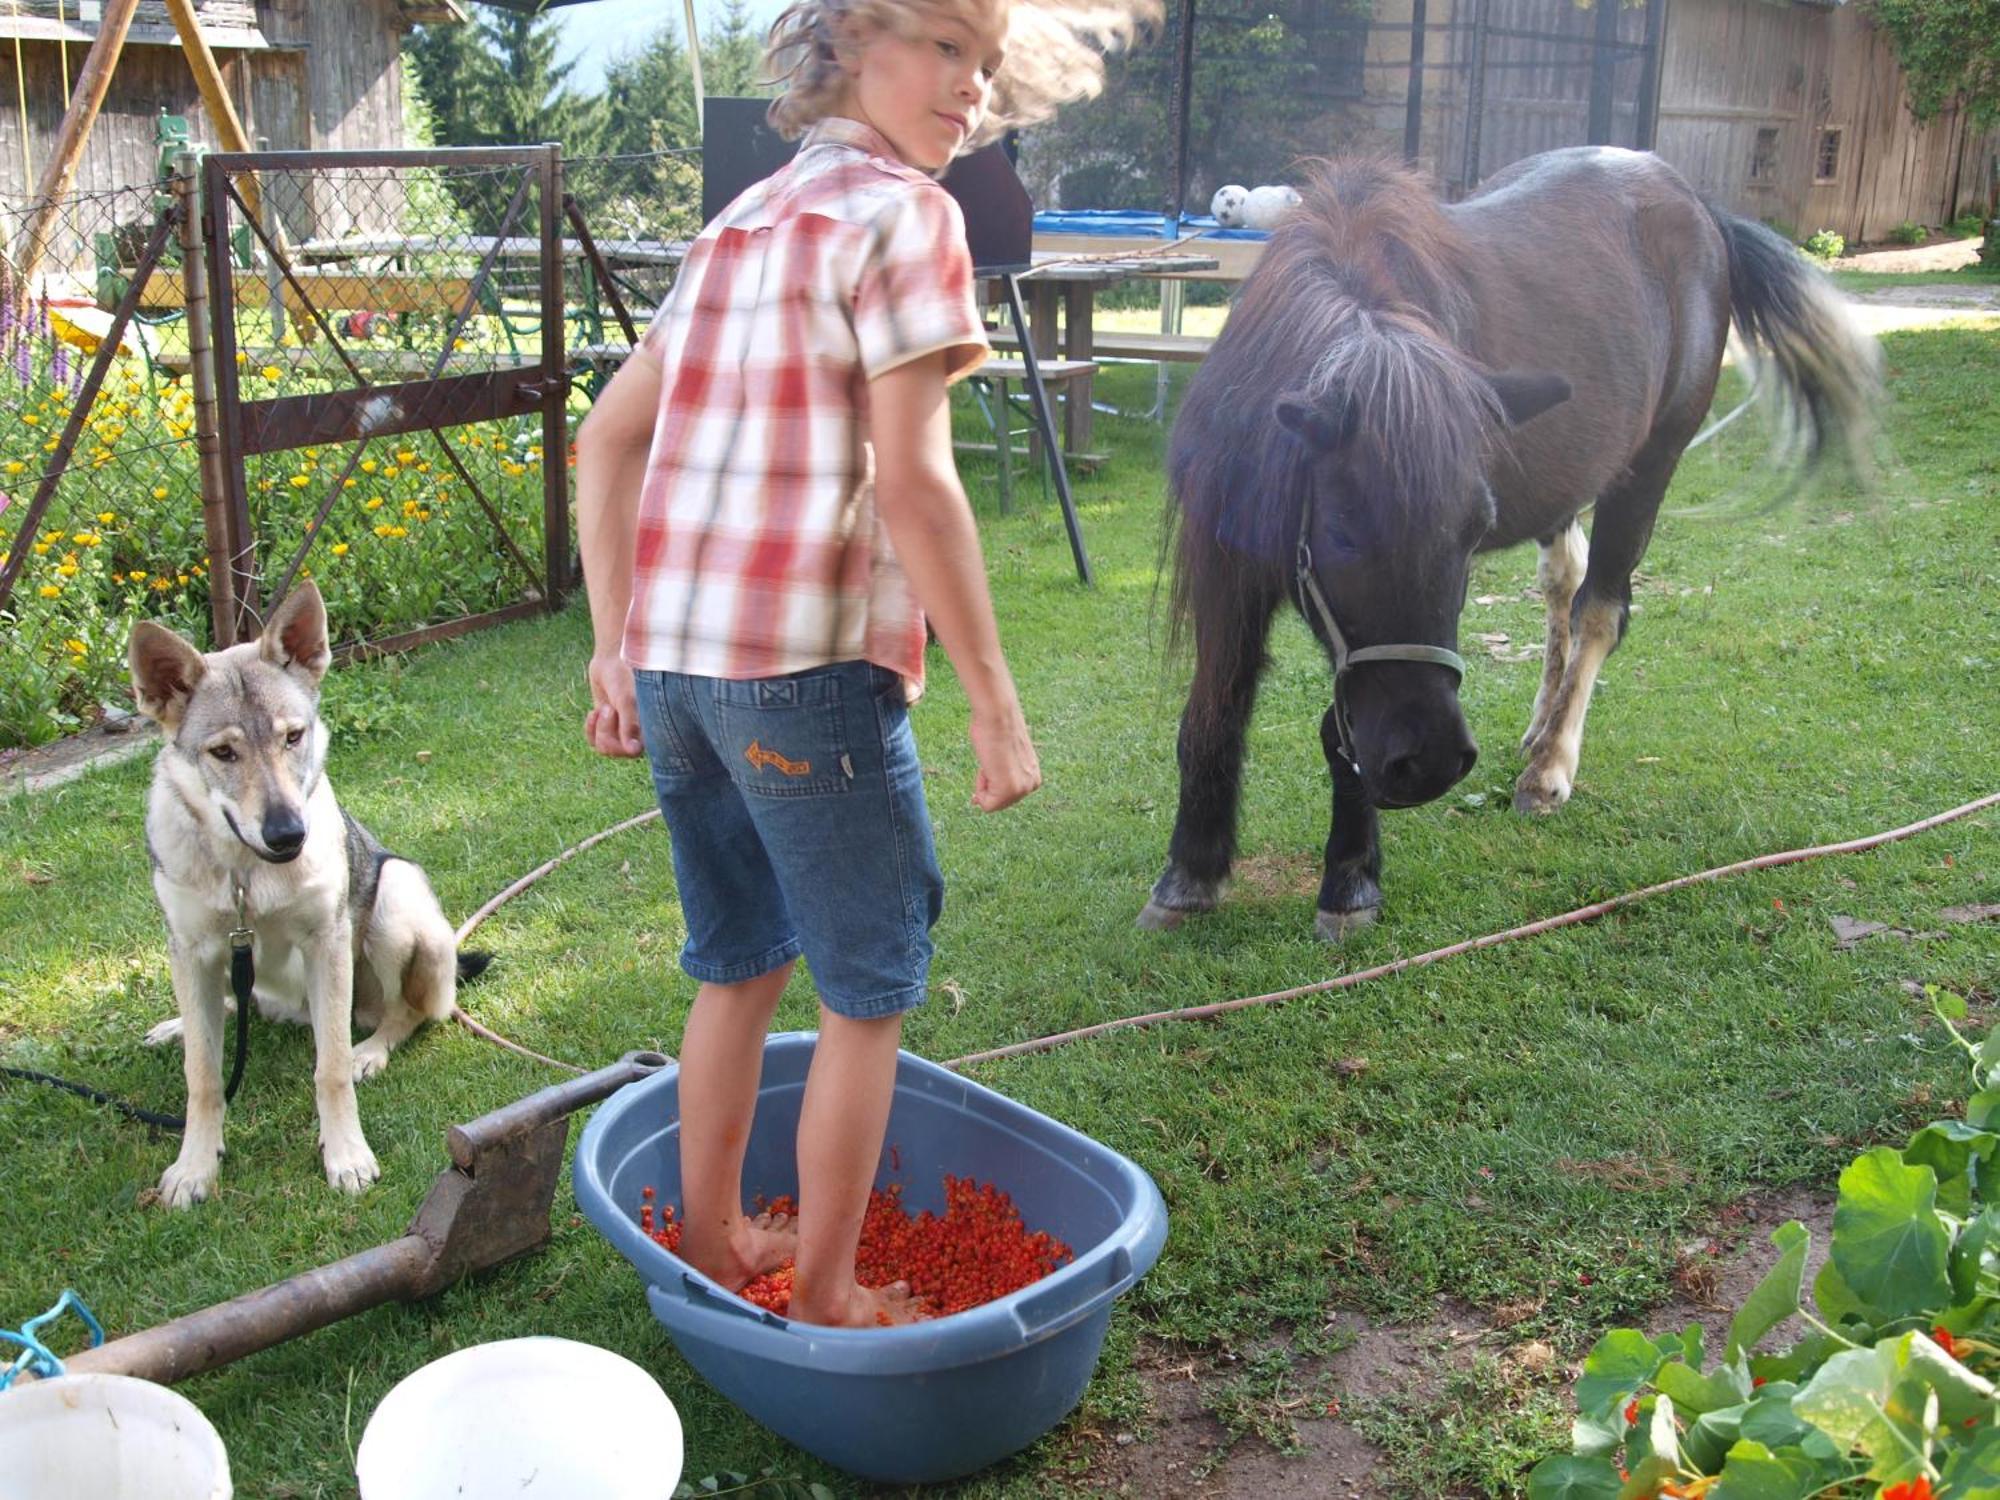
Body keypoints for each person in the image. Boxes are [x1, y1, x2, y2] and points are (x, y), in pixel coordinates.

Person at [575, 0, 1151, 1327]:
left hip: (679, 676)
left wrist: (616, 645)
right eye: (945, 47)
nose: (970, 90)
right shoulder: (907, 218)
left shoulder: (735, 229)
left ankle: (720, 1244)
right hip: (804, 677)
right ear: (850, 42)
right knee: (870, 985)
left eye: (987, 66)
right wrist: (996, 702)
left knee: (735, 964)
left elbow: (605, 441)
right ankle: (828, 1292)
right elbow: (918, 482)